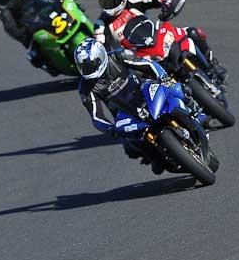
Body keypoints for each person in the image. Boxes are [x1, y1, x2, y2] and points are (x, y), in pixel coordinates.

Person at [94, 0, 226, 82]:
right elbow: (101, 48)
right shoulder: (101, 24)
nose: (108, 6)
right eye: (105, 2)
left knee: (194, 32)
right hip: (138, 57)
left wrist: (167, 2)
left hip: (159, 37)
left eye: (112, 1)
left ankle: (212, 65)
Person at [74, 38, 172, 174]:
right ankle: (158, 156)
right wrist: (110, 128)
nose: (89, 68)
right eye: (84, 66)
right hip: (127, 116)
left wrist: (162, 76)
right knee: (131, 148)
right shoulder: (85, 88)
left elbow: (148, 64)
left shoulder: (118, 56)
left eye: (92, 64)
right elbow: (96, 116)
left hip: (145, 94)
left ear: (101, 55)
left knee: (175, 90)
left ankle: (194, 108)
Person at [0, 0, 70, 73]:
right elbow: (9, 26)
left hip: (43, 9)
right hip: (29, 26)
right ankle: (54, 65)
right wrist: (24, 37)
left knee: (69, 6)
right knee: (35, 56)